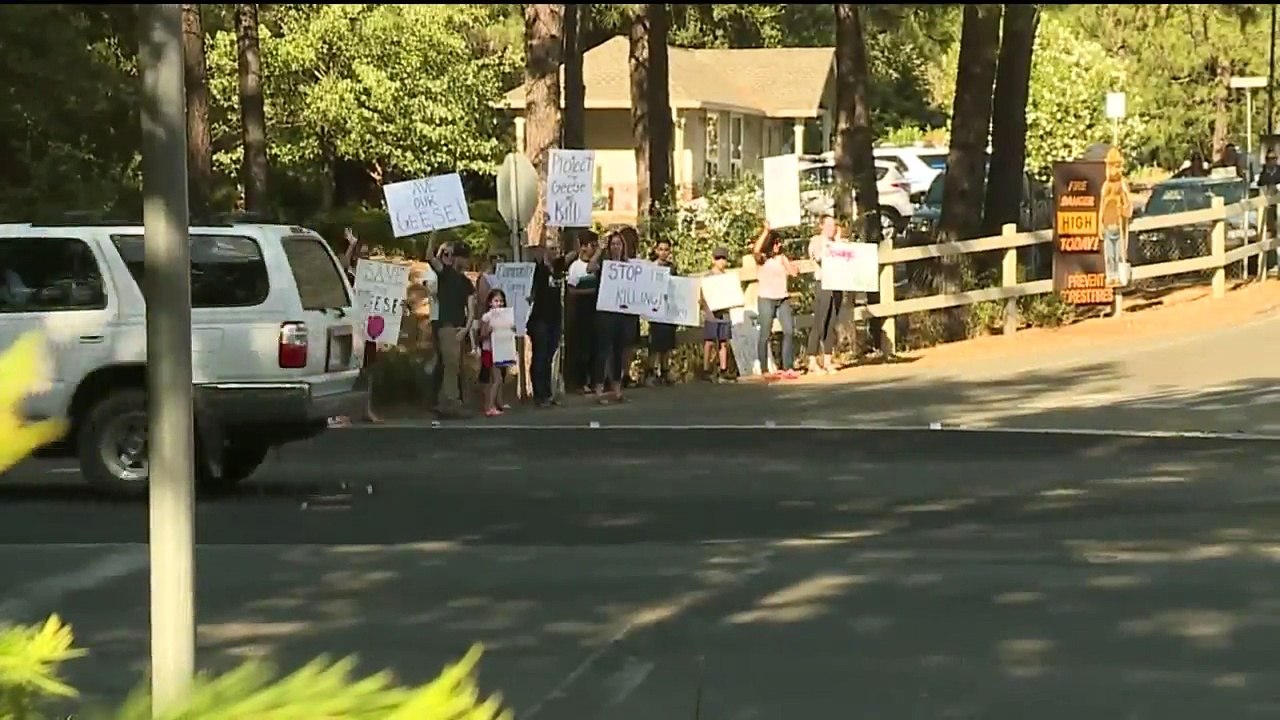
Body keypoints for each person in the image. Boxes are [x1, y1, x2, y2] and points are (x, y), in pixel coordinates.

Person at [426, 241, 476, 418]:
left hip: (458, 327)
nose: (464, 261)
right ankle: (451, 402)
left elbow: (471, 309)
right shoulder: (445, 274)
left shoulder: (467, 283)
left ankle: (446, 402)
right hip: (446, 325)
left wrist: (466, 328)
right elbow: (429, 258)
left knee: (453, 365)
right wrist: (434, 235)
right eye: (461, 257)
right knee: (451, 363)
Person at [340, 228, 383, 424]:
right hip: (353, 327)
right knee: (348, 369)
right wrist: (351, 244)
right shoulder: (348, 275)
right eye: (361, 253)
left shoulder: (375, 279)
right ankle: (342, 410)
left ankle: (366, 409)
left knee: (368, 370)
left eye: (367, 254)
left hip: (370, 328)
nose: (364, 257)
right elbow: (343, 265)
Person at [589, 228, 633, 404]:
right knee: (603, 351)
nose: (616, 247)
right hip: (605, 314)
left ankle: (617, 389)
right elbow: (590, 267)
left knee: (619, 352)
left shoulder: (628, 266)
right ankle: (598, 390)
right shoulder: (604, 265)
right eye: (613, 244)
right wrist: (599, 250)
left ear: (623, 246)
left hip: (621, 313)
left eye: (618, 244)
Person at [751, 222, 799, 379]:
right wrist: (766, 231)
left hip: (782, 297)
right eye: (776, 242)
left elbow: (793, 272)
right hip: (766, 298)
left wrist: (791, 266)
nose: (779, 245)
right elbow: (756, 250)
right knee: (765, 333)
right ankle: (764, 369)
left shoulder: (781, 258)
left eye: (780, 242)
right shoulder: (762, 259)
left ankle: (788, 366)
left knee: (789, 330)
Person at [528, 242, 567, 407]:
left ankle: (548, 393)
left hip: (555, 319)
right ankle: (539, 394)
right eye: (551, 249)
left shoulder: (558, 270)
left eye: (556, 249)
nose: (554, 252)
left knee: (549, 357)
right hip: (539, 319)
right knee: (540, 356)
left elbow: (572, 255)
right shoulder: (539, 270)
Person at [806, 215, 844, 375]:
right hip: (823, 282)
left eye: (833, 225)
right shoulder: (816, 241)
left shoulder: (838, 243)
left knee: (831, 322)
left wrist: (839, 241)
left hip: (836, 283)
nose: (832, 228)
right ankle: (812, 359)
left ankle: (828, 359)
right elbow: (820, 257)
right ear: (821, 226)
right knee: (820, 322)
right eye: (828, 225)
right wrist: (832, 245)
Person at [566, 231, 601, 394]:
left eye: (593, 246)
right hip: (580, 313)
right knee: (581, 349)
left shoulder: (598, 267)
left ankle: (594, 380)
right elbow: (571, 291)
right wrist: (588, 292)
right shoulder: (576, 267)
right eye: (587, 246)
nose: (590, 249)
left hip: (595, 313)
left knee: (594, 348)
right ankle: (579, 382)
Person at [478, 288, 516, 417]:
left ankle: (498, 402)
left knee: (499, 377)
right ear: (490, 302)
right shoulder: (487, 317)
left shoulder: (505, 316)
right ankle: (489, 406)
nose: (499, 304)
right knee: (496, 379)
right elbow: (482, 335)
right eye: (496, 301)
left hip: (501, 349)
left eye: (501, 301)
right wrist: (489, 330)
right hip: (490, 350)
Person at [646, 237, 678, 385]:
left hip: (668, 309)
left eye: (666, 250)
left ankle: (665, 371)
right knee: (655, 344)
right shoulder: (651, 267)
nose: (664, 253)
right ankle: (651, 372)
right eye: (661, 249)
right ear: (656, 250)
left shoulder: (672, 268)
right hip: (655, 308)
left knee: (667, 343)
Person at [702, 246, 735, 383]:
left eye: (723, 258)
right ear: (713, 260)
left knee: (723, 342)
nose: (721, 261)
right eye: (718, 258)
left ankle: (723, 369)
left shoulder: (728, 278)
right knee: (709, 342)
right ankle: (706, 369)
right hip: (711, 313)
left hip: (724, 312)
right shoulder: (707, 277)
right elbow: (702, 294)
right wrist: (704, 308)